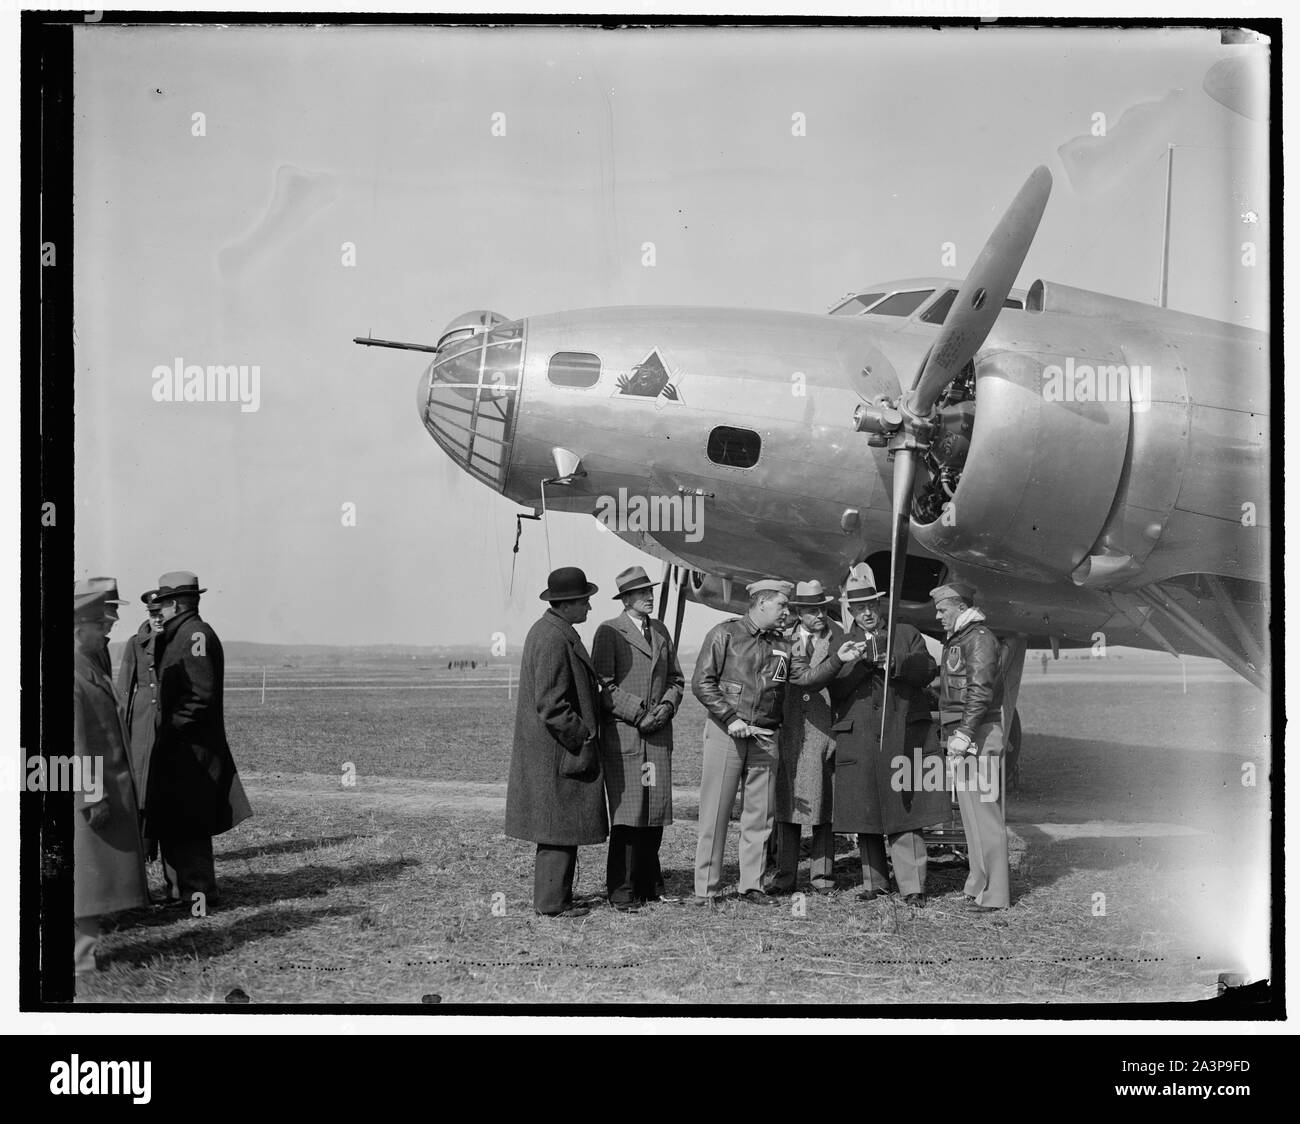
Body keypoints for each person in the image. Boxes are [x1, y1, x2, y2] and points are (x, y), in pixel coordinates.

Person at [692, 579, 863, 906]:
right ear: (761, 603)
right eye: (782, 605)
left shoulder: (784, 645)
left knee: (760, 815)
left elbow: (806, 678)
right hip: (727, 733)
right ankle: (706, 890)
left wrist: (838, 658)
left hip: (767, 736)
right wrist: (731, 719)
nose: (788, 612)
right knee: (716, 811)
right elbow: (702, 683)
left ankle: (751, 886)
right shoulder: (724, 634)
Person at [505, 566, 643, 918]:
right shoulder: (553, 639)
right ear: (566, 604)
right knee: (556, 828)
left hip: (555, 753)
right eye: (585, 601)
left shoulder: (554, 631)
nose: (589, 608)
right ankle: (552, 904)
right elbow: (551, 705)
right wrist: (583, 735)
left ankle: (556, 897)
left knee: (558, 828)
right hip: (558, 753)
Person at [797, 577, 940, 907]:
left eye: (871, 607)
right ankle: (874, 882)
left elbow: (928, 668)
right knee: (866, 811)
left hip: (902, 733)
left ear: (879, 607)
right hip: (860, 738)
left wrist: (894, 662)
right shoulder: (843, 644)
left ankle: (912, 886)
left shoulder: (906, 633)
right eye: (859, 609)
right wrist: (855, 662)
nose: (867, 614)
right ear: (851, 612)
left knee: (906, 811)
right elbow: (837, 689)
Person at [148, 571, 252, 909]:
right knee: (176, 820)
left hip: (190, 750)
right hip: (180, 748)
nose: (158, 612)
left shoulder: (194, 635)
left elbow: (200, 697)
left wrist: (169, 729)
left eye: (161, 605)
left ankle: (199, 896)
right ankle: (180, 893)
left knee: (189, 823)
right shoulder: (183, 633)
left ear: (176, 604)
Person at [591, 566, 685, 911]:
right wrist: (639, 713)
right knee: (628, 817)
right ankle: (621, 891)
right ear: (626, 599)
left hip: (657, 738)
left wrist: (666, 708)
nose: (649, 597)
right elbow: (603, 686)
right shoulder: (609, 632)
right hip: (626, 740)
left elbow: (676, 679)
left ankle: (649, 885)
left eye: (650, 591)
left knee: (654, 814)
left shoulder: (659, 630)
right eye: (642, 593)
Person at [72, 579, 151, 973]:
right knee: (82, 881)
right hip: (84, 792)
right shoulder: (71, 672)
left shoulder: (86, 665)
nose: (108, 630)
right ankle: (79, 961)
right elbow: (73, 744)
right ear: (76, 628)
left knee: (88, 880)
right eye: (100, 625)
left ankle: (83, 955)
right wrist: (90, 796)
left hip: (100, 786)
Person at [931, 581, 1010, 911]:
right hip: (966, 732)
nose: (938, 616)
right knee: (972, 815)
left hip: (976, 733)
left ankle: (996, 895)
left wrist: (963, 734)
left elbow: (980, 692)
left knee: (984, 816)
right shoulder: (963, 639)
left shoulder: (978, 639)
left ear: (960, 608)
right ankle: (978, 884)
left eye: (942, 610)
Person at [768, 580, 843, 896]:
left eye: (823, 609)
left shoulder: (838, 639)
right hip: (791, 730)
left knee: (824, 804)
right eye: (812, 611)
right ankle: (785, 875)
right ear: (798, 612)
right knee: (788, 804)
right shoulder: (781, 639)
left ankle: (822, 877)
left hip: (826, 731)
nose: (820, 616)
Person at [116, 591, 164, 856]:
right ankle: (144, 845)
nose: (157, 619)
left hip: (168, 719)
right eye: (152, 614)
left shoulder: (176, 641)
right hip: (143, 721)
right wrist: (121, 726)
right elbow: (124, 688)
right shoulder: (136, 643)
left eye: (160, 613)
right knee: (141, 782)